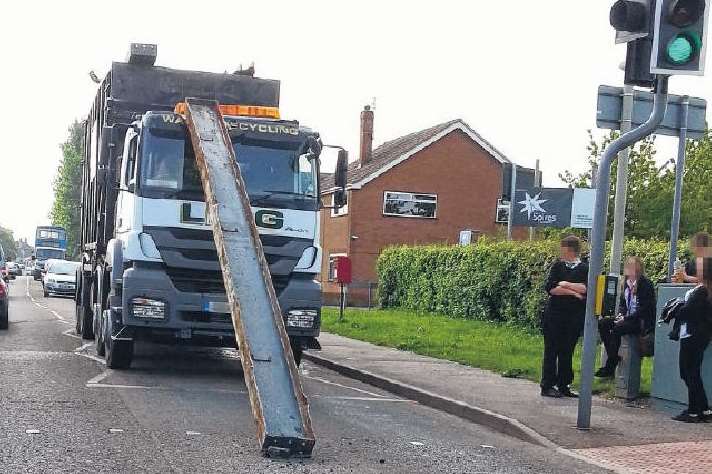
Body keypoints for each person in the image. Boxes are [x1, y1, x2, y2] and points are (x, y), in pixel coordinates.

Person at [540, 235, 589, 398]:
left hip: (573, 316)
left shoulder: (584, 268)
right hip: (554, 315)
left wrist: (566, 284)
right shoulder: (558, 266)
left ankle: (564, 383)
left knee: (567, 350)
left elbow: (585, 288)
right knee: (551, 350)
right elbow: (552, 288)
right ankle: (547, 384)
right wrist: (573, 293)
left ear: (571, 250)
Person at [595, 257, 656, 378]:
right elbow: (623, 304)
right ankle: (613, 356)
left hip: (640, 321)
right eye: (628, 266)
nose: (629, 269)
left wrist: (626, 319)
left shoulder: (646, 284)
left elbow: (645, 308)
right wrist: (621, 315)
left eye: (633, 267)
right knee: (603, 323)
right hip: (628, 317)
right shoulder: (626, 283)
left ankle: (610, 366)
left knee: (618, 328)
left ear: (639, 269)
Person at [673, 257, 712, 423]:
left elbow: (688, 311)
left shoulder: (703, 291)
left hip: (693, 334)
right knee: (692, 371)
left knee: (688, 371)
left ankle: (694, 410)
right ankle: (703, 408)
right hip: (699, 334)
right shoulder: (705, 289)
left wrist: (675, 309)